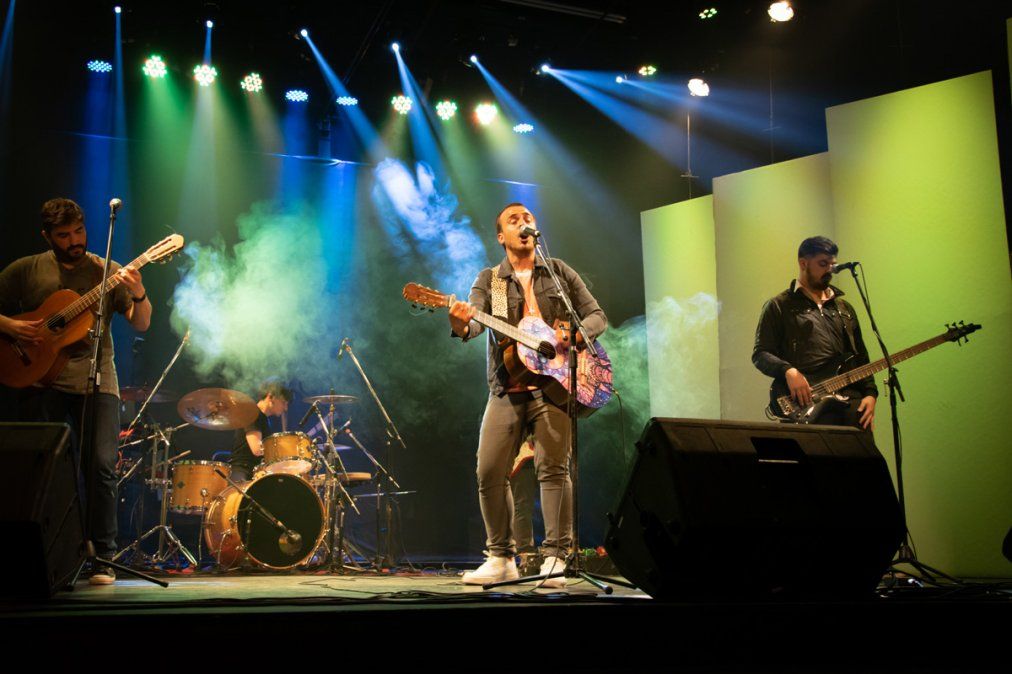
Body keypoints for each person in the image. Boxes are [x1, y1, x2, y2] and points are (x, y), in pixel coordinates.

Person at [449, 203, 607, 587]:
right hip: (507, 388)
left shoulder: (559, 272)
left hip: (555, 386)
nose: (523, 223)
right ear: (501, 237)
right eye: (514, 220)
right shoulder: (491, 281)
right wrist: (461, 324)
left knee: (553, 469)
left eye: (528, 218)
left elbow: (596, 316)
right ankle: (501, 557)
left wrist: (574, 335)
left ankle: (556, 557)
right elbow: (476, 323)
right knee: (489, 470)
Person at [0, 198, 152, 585]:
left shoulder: (107, 271)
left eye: (79, 231)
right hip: (38, 380)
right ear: (47, 236)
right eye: (64, 235)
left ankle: (103, 556)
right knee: (42, 471)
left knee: (100, 466)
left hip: (98, 380)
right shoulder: (27, 269)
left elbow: (141, 324)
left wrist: (138, 292)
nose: (74, 241)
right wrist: (11, 327)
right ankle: (46, 555)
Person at [752, 236, 877, 429]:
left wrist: (870, 394)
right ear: (803, 263)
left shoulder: (844, 308)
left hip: (851, 402)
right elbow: (761, 354)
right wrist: (788, 371)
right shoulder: (779, 306)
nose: (830, 270)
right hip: (808, 404)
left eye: (832, 264)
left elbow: (860, 356)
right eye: (823, 264)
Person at [227, 380, 292, 483]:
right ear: (271, 397)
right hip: (242, 470)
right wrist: (283, 453)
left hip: (254, 470)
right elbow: (257, 449)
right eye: (284, 403)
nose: (285, 408)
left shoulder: (264, 419)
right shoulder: (252, 412)